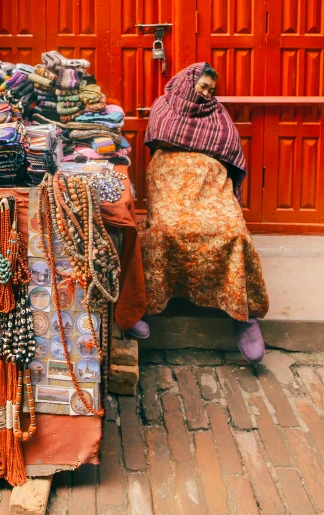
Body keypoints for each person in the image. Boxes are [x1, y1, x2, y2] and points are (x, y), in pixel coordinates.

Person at [139, 62, 269, 364]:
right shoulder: (164, 106)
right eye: (203, 86)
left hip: (209, 182)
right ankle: (140, 306)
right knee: (162, 231)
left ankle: (243, 315)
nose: (207, 93)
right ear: (188, 82)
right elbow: (157, 142)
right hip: (171, 179)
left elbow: (232, 153)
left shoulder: (218, 114)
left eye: (211, 89)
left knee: (233, 232)